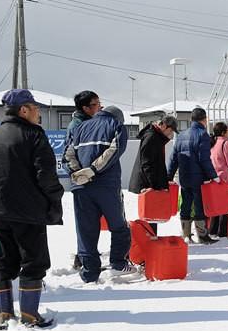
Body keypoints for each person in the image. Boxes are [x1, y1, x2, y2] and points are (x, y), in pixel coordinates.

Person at [0, 89, 63, 328]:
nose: (39, 113)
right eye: (35, 108)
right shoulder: (34, 136)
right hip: (29, 212)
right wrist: (54, 202)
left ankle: (4, 314)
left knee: (5, 261)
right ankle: (29, 314)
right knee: (34, 262)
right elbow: (46, 176)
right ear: (23, 110)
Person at [64, 105, 139, 283]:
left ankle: (89, 272)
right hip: (106, 185)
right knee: (119, 225)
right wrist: (93, 170)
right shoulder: (116, 126)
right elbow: (115, 150)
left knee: (85, 230)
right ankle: (118, 263)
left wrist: (77, 172)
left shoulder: (80, 127)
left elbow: (68, 152)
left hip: (81, 186)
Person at [168, 107, 219, 244]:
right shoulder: (203, 134)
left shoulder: (182, 135)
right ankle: (202, 235)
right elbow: (204, 159)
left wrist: (169, 176)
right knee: (199, 205)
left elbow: (173, 158)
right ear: (204, 119)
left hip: (184, 176)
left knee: (186, 203)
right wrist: (213, 176)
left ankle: (186, 234)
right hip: (199, 177)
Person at [64, 90, 101, 270]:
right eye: (95, 104)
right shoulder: (77, 125)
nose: (99, 107)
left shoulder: (90, 122)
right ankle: (84, 259)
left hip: (92, 180)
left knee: (92, 223)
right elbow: (69, 155)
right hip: (83, 181)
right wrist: (81, 176)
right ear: (85, 108)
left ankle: (86, 256)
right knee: (86, 223)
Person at [128, 115, 178, 235]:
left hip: (151, 181)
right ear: (164, 125)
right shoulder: (151, 137)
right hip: (148, 183)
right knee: (149, 213)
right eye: (170, 131)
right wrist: (152, 184)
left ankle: (150, 237)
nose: (170, 134)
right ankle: (148, 238)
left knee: (152, 213)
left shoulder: (155, 136)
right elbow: (147, 163)